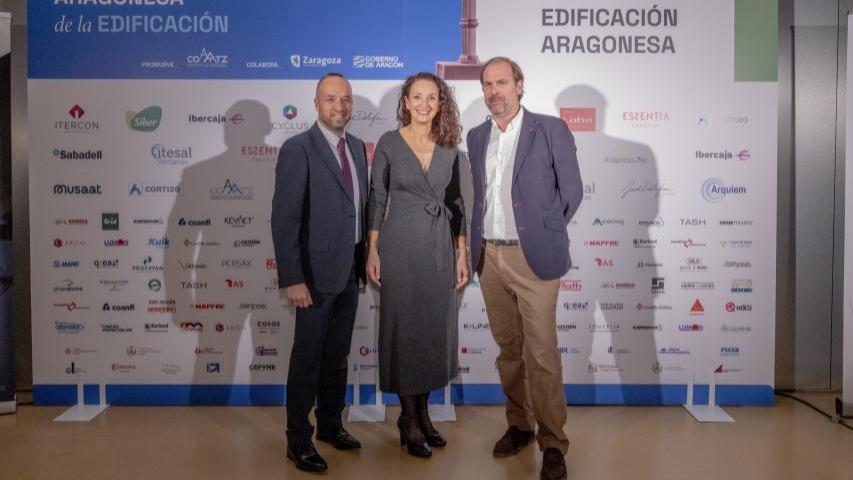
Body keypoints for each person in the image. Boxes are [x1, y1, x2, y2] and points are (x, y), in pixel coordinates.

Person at [466, 57, 583, 480]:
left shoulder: (549, 129)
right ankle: (519, 426)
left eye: (501, 82)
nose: (494, 90)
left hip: (534, 258)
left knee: (542, 354)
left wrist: (541, 232)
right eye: (487, 84)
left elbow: (571, 192)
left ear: (519, 85)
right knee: (509, 352)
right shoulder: (477, 136)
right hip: (489, 259)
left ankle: (553, 443)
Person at [366, 72, 469, 458]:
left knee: (430, 333)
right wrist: (372, 250)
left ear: (440, 103)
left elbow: (457, 205)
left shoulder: (449, 146)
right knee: (404, 333)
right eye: (416, 97)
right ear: (405, 102)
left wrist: (461, 251)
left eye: (432, 97)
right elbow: (377, 199)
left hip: (439, 249)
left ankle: (423, 414)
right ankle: (407, 419)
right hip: (400, 248)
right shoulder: (390, 143)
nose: (424, 104)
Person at [271, 73, 368, 473]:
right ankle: (298, 440)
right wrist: (293, 278)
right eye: (331, 99)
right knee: (307, 361)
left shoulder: (359, 147)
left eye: (345, 99)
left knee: (337, 357)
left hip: (349, 272)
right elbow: (284, 219)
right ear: (316, 103)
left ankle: (330, 425)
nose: (339, 106)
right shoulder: (298, 149)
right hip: (311, 276)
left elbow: (357, 209)